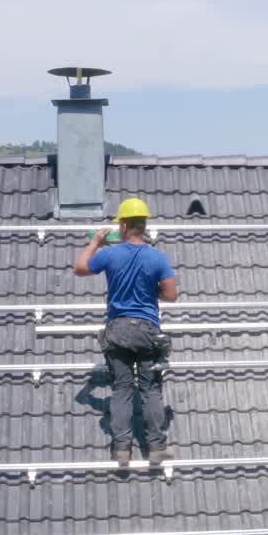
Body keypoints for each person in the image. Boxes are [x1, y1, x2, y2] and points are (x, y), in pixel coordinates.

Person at [73, 197, 178, 467]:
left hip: (117, 331)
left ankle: (122, 450)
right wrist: (148, 289)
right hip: (147, 332)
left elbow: (80, 268)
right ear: (144, 225)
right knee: (151, 389)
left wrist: (96, 242)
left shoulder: (110, 254)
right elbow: (171, 295)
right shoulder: (157, 257)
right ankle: (155, 448)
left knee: (121, 389)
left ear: (122, 225)